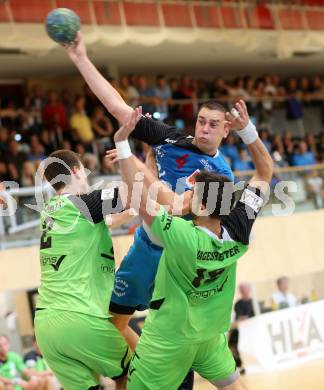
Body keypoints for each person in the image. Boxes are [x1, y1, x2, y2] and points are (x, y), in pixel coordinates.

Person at [64, 31, 233, 347]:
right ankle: (142, 369)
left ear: (226, 129)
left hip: (179, 259)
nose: (205, 128)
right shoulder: (170, 139)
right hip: (147, 244)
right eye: (201, 121)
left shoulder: (222, 177)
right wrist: (81, 59)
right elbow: (119, 109)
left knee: (176, 335)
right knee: (114, 323)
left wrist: (135, 164)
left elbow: (175, 205)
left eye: (213, 124)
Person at [113, 101, 272, 389]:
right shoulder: (239, 231)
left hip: (169, 339)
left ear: (199, 203)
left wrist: (123, 145)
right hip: (210, 338)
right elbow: (264, 172)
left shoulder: (179, 235)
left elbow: (141, 195)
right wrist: (248, 132)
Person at [34, 149, 135, 390]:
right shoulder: (81, 204)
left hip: (47, 327)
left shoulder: (49, 211)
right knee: (133, 373)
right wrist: (128, 157)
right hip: (79, 317)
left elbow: (102, 222)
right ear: (76, 170)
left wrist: (126, 215)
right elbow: (133, 192)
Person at [228, 284, 255, 375]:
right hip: (238, 329)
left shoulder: (253, 302)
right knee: (232, 344)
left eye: (246, 290)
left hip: (251, 329)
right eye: (242, 290)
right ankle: (239, 365)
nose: (244, 292)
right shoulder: (238, 304)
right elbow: (238, 318)